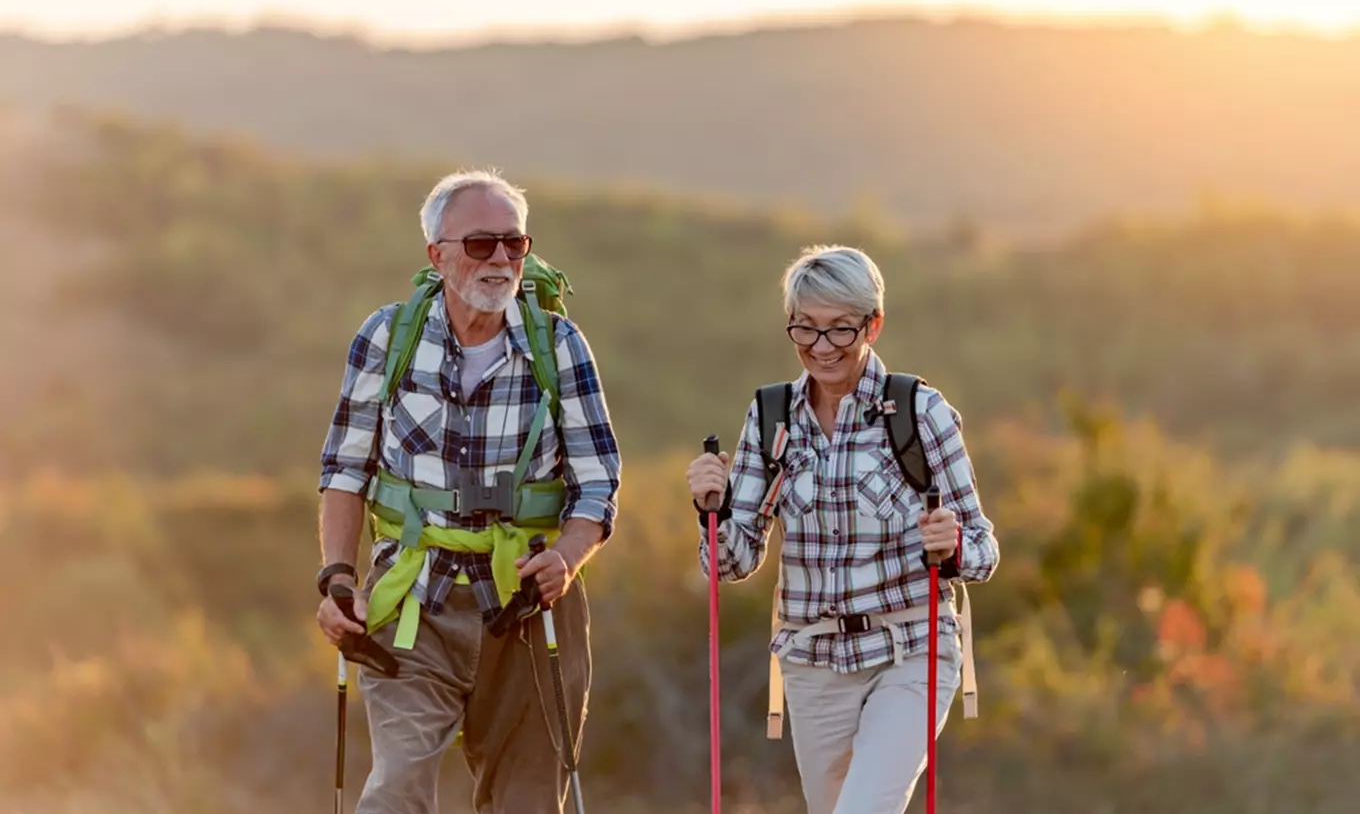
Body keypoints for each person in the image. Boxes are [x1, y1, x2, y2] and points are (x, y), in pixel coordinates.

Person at [313, 170, 622, 814]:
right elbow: (345, 470)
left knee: (528, 801)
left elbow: (597, 483)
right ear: (438, 254)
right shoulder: (386, 337)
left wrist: (564, 559)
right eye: (482, 244)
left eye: (516, 243)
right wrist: (339, 579)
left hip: (529, 610)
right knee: (395, 790)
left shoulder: (559, 347)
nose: (503, 259)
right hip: (411, 606)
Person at [686, 244, 999, 814]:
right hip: (811, 662)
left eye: (839, 331)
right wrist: (713, 507)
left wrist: (951, 548)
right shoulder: (771, 417)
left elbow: (983, 548)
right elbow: (731, 564)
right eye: (805, 329)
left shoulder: (920, 413)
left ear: (872, 326)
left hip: (911, 650)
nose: (821, 348)